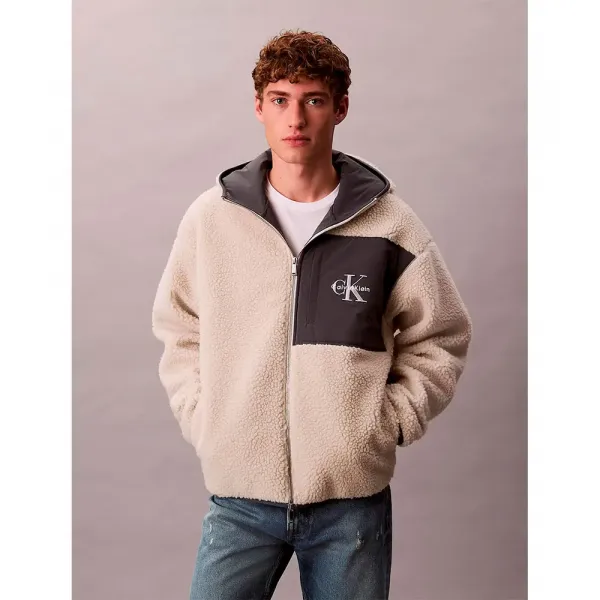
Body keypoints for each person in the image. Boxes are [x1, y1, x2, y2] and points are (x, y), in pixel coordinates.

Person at [151, 29, 472, 600]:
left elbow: (440, 336)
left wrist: (386, 424)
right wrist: (207, 419)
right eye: (280, 99)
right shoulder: (213, 219)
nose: (295, 118)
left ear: (340, 108)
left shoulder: (389, 224)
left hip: (350, 502)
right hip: (240, 497)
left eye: (313, 100)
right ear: (259, 107)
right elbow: (180, 329)